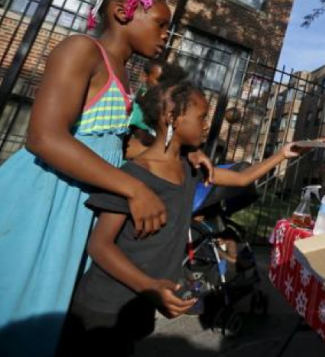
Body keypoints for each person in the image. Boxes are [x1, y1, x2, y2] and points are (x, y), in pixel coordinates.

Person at [0, 0, 179, 357]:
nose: (167, 35)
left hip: (77, 204)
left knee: (48, 309)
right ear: (121, 13)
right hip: (42, 200)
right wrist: (134, 188)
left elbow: (113, 142)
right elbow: (45, 137)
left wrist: (177, 150)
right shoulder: (82, 50)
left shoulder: (123, 70)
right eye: (161, 24)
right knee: (17, 297)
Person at [59, 79, 303, 356]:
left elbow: (242, 177)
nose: (206, 125)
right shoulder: (134, 174)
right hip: (104, 306)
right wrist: (149, 286)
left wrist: (284, 154)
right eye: (201, 117)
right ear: (171, 117)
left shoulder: (189, 167)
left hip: (142, 302)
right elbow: (99, 245)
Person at [124, 59, 188, 159]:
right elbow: (142, 136)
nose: (162, 85)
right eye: (159, 80)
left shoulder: (162, 102)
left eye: (166, 81)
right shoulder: (141, 101)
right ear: (144, 77)